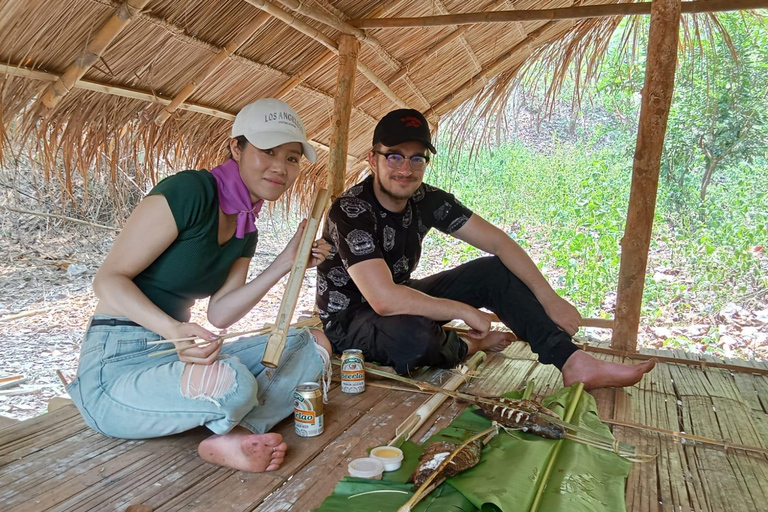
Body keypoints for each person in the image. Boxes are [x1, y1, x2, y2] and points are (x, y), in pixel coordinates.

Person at [66, 98, 332, 473]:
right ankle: (234, 424)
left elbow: (221, 313)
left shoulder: (245, 227)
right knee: (235, 382)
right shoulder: (190, 191)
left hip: (178, 358)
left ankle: (235, 434)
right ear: (236, 147)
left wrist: (287, 263)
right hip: (116, 367)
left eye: (292, 158)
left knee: (310, 343)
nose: (281, 167)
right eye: (268, 151)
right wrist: (174, 330)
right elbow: (107, 281)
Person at [316, 108, 655, 390]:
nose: (405, 169)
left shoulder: (427, 199)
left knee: (492, 272)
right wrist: (464, 311)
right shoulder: (351, 210)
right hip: (350, 320)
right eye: (394, 157)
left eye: (416, 159)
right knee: (413, 339)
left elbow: (498, 243)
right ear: (372, 160)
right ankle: (469, 344)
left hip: (400, 297)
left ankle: (572, 361)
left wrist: (549, 298)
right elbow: (383, 300)